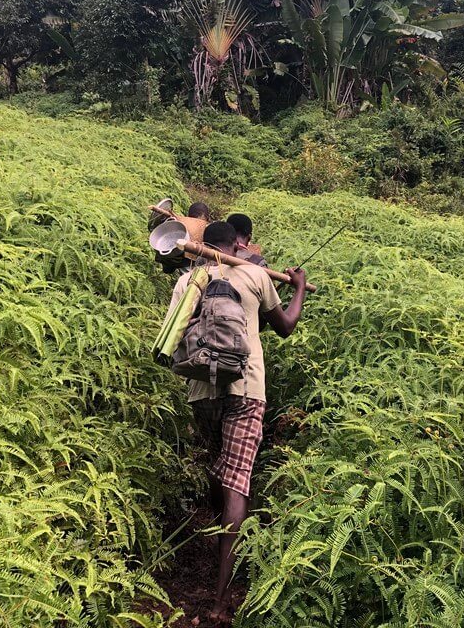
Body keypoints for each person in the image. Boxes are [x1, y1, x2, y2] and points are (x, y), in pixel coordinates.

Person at [168, 222, 307, 624]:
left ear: (202, 245)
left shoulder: (186, 280)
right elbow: (284, 327)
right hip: (246, 390)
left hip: (201, 393)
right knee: (237, 480)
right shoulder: (256, 273)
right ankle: (221, 599)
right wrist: (297, 287)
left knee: (219, 466)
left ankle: (219, 537)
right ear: (238, 245)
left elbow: (176, 337)